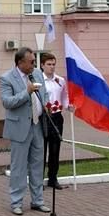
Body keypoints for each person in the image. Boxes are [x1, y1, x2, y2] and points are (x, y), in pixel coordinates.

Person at [0, 47, 50, 216]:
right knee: (19, 167)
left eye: (34, 62)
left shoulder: (36, 74)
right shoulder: (7, 78)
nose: (34, 65)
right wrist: (26, 92)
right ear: (20, 62)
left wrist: (48, 105)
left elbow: (44, 94)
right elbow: (7, 102)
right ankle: (16, 202)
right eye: (31, 62)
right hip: (20, 128)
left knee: (37, 165)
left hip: (37, 126)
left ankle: (38, 201)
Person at [39, 52, 72, 190]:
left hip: (57, 117)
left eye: (53, 64)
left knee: (55, 149)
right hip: (43, 117)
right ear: (42, 65)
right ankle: (38, 181)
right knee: (41, 149)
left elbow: (64, 96)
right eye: (48, 64)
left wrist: (67, 105)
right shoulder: (39, 81)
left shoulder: (60, 80)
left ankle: (53, 178)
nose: (51, 67)